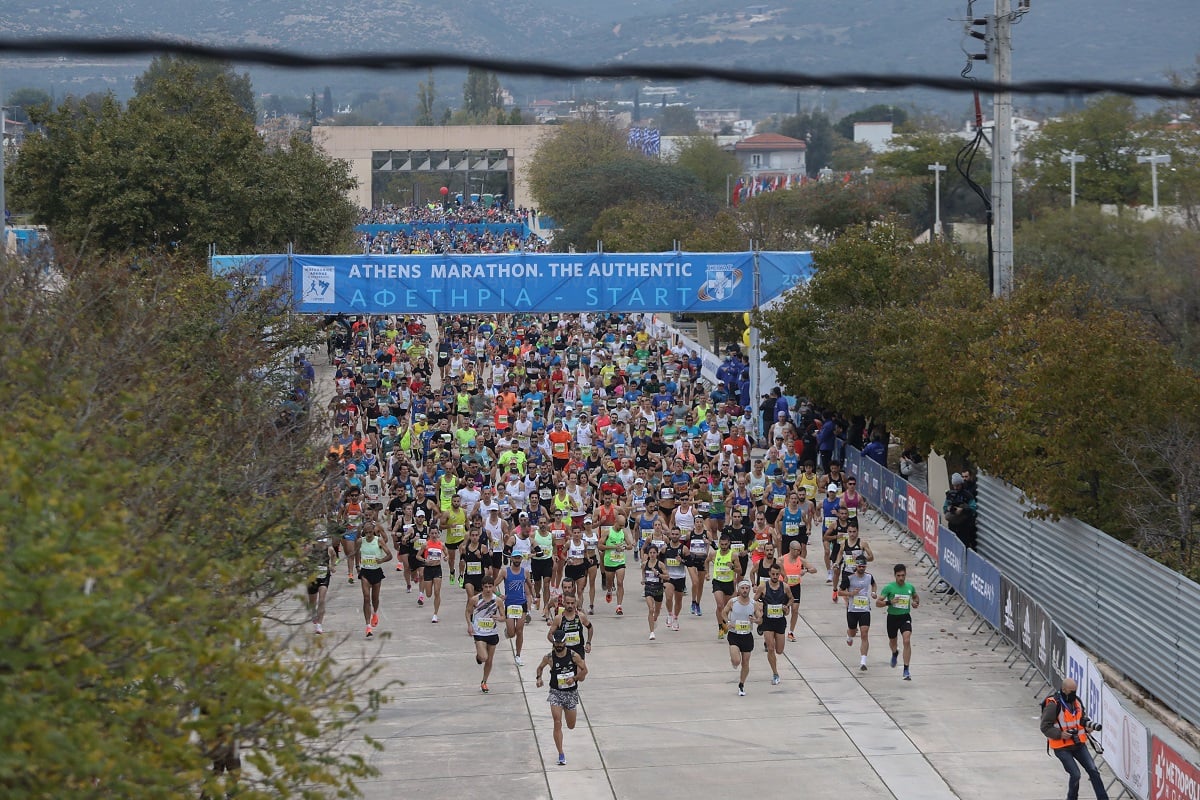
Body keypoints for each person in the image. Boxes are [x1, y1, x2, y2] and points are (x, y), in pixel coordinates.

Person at [1040, 678, 1109, 800]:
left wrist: (1087, 726)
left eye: (1075, 691)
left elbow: (1082, 718)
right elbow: (1045, 727)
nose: (1073, 694)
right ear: (1063, 689)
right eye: (1071, 691)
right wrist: (1060, 734)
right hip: (1062, 747)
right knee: (1075, 774)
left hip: (1078, 744)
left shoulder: (1077, 702)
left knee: (1093, 770)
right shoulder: (1053, 705)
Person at [535, 629, 589, 767]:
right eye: (556, 643)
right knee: (557, 721)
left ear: (565, 642)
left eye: (560, 643)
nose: (558, 646)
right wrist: (539, 678)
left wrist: (574, 678)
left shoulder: (574, 656)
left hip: (570, 693)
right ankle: (561, 754)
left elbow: (585, 670)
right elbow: (539, 668)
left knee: (571, 725)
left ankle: (568, 714)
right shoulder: (549, 657)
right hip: (556, 693)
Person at [877, 563, 920, 680]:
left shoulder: (910, 587)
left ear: (905, 575)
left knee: (907, 640)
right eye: (899, 575)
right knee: (893, 642)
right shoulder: (889, 588)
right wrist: (890, 602)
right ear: (895, 575)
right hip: (892, 618)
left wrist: (916, 603)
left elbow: (916, 597)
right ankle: (895, 652)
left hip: (905, 617)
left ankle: (906, 670)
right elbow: (878, 603)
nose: (901, 578)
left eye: (903, 575)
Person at [719, 579, 761, 696]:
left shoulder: (753, 604)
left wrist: (755, 620)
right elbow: (723, 612)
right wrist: (728, 622)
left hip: (747, 636)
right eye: (742, 588)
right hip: (734, 635)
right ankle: (734, 661)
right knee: (737, 660)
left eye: (747, 588)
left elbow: (760, 619)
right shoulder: (733, 602)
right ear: (738, 589)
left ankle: (741, 684)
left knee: (745, 662)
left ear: (749, 590)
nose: (745, 590)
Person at [839, 555, 877, 671]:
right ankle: (849, 635)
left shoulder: (869, 577)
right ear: (856, 566)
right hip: (852, 609)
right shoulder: (849, 578)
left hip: (865, 609)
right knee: (852, 631)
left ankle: (863, 661)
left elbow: (874, 584)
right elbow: (840, 592)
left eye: (863, 566)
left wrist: (874, 592)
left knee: (864, 633)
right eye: (860, 566)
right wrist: (850, 594)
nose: (861, 568)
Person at [755, 563, 792, 685]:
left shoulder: (785, 587)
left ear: (780, 574)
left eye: (777, 574)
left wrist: (787, 606)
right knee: (771, 648)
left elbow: (791, 598)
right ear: (769, 574)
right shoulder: (763, 586)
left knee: (779, 650)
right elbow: (754, 600)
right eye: (773, 574)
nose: (775, 576)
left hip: (780, 621)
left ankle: (770, 638)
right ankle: (775, 673)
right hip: (768, 621)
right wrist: (759, 607)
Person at [467, 576, 505, 693]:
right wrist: (469, 625)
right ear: (482, 587)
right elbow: (468, 612)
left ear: (493, 587)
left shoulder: (497, 600)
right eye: (486, 587)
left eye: (490, 587)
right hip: (479, 632)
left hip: (492, 632)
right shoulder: (475, 599)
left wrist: (499, 618)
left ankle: (484, 682)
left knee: (489, 660)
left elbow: (503, 616)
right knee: (484, 657)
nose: (488, 589)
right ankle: (479, 656)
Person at [357, 521, 394, 638]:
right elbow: (356, 553)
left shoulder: (379, 541)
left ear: (373, 531)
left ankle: (375, 613)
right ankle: (368, 626)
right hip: (365, 571)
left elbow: (390, 555)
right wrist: (357, 566)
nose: (368, 535)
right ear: (364, 532)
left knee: (375, 598)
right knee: (366, 598)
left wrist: (381, 560)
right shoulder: (360, 541)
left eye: (370, 532)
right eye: (366, 532)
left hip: (376, 571)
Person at [780, 540, 818, 641]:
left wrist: (806, 570)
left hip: (795, 587)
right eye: (796, 550)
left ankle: (791, 632)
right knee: (784, 611)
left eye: (799, 551)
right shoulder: (782, 559)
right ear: (790, 549)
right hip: (784, 587)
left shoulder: (801, 560)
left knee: (795, 609)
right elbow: (774, 570)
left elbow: (814, 569)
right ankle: (780, 628)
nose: (798, 552)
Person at [502, 552, 533, 666]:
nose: (517, 560)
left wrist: (534, 596)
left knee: (519, 631)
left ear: (521, 559)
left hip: (521, 604)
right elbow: (494, 584)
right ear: (511, 558)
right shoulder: (505, 571)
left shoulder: (525, 572)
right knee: (511, 633)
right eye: (515, 558)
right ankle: (508, 631)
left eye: (519, 558)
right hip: (510, 604)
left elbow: (529, 585)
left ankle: (518, 655)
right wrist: (500, 595)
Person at [306, 535, 336, 635]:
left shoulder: (329, 549)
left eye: (323, 541)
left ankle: (319, 625)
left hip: (324, 577)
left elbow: (334, 556)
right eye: (320, 541)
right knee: (312, 601)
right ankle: (313, 612)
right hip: (312, 578)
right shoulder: (310, 548)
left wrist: (332, 565)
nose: (322, 543)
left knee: (322, 600)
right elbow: (303, 559)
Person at [944, 472, 979, 549]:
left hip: (964, 527)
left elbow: (973, 508)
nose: (956, 488)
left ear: (961, 484)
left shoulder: (967, 495)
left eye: (957, 485)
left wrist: (962, 510)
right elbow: (945, 507)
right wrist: (948, 509)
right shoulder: (951, 494)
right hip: (953, 525)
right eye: (954, 485)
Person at [641, 544, 669, 640]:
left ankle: (655, 619)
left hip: (658, 589)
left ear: (657, 554)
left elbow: (667, 577)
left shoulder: (660, 564)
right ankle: (652, 632)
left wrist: (658, 574)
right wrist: (643, 579)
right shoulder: (644, 564)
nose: (652, 554)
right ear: (648, 554)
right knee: (651, 609)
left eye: (654, 553)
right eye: (650, 553)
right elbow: (643, 572)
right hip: (648, 588)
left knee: (656, 611)